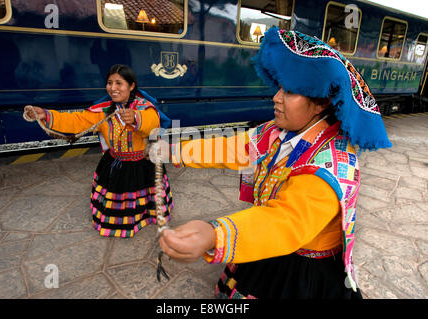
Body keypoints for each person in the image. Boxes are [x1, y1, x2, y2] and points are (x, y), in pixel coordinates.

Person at [158, 27, 392, 299]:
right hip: (269, 245)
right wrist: (176, 151)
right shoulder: (276, 132)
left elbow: (284, 222)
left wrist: (215, 234)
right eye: (280, 87)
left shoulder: (331, 166)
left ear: (320, 103)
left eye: (290, 91)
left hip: (302, 270)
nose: (276, 97)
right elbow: (232, 147)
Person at [24, 64, 173, 238]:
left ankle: (144, 218)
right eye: (110, 83)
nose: (113, 88)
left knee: (146, 198)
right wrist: (47, 115)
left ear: (131, 86)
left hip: (142, 163)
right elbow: (76, 120)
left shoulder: (144, 107)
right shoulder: (102, 111)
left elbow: (152, 123)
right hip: (116, 162)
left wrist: (136, 118)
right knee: (118, 200)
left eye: (119, 83)